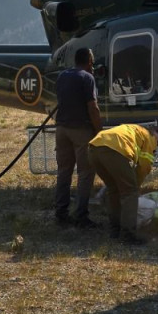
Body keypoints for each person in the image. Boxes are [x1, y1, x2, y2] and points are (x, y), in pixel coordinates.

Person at [88, 123, 158, 245]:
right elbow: (144, 167)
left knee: (114, 189)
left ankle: (115, 230)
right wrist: (136, 186)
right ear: (156, 134)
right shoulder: (149, 137)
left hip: (93, 148)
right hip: (113, 149)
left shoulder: (134, 129)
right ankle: (128, 235)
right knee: (130, 192)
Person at [53, 47, 102, 229]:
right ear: (89, 60)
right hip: (80, 130)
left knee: (64, 171)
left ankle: (61, 213)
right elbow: (93, 107)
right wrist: (100, 131)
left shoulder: (62, 76)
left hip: (61, 129)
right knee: (85, 173)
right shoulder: (87, 78)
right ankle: (81, 216)